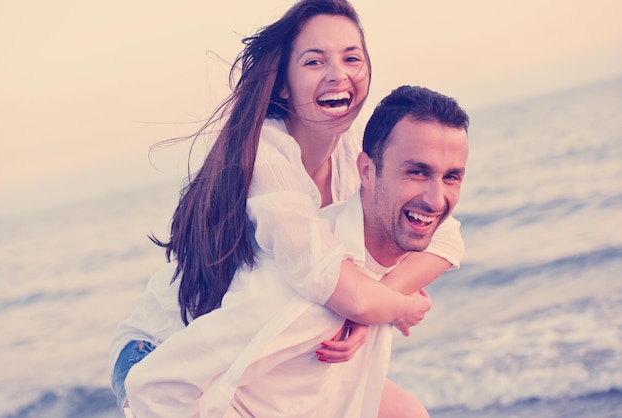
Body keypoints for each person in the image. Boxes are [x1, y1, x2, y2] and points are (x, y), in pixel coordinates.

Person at [111, 0, 463, 414]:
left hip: (261, 352)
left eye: (352, 57)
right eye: (315, 61)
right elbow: (324, 276)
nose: (339, 74)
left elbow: (447, 238)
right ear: (282, 85)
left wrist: (373, 306)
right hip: (166, 348)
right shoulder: (264, 154)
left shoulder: (353, 147)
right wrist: (397, 306)